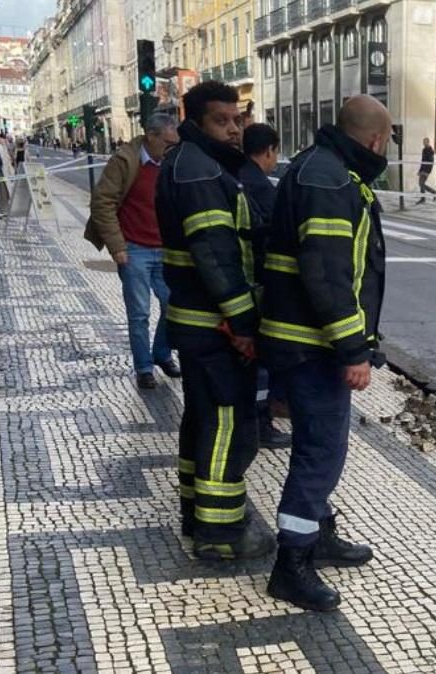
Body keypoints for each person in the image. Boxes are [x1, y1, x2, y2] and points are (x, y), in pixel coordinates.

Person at [258, 95, 389, 611]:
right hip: (314, 346)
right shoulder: (331, 181)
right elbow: (329, 275)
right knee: (320, 454)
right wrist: (353, 349)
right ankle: (292, 564)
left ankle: (321, 532)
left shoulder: (317, 168)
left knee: (319, 449)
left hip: (298, 340)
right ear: (376, 140)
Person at [155, 81, 272, 561]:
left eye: (237, 119)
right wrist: (244, 325)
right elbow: (219, 257)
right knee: (229, 422)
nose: (233, 129)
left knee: (201, 418)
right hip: (214, 325)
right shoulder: (201, 173)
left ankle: (195, 509)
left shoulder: (189, 164)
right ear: (197, 120)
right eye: (222, 121)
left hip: (197, 321)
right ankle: (221, 532)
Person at [87, 113, 181, 389]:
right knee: (139, 312)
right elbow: (102, 202)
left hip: (165, 249)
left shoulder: (170, 164)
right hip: (134, 248)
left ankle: (162, 353)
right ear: (151, 136)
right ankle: (144, 367)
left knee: (173, 305)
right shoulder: (125, 161)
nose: (171, 148)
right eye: (167, 143)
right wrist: (117, 247)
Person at [239, 122, 291, 450]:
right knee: (260, 362)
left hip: (240, 283)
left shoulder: (234, 175)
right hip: (256, 284)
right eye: (276, 152)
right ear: (269, 151)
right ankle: (260, 422)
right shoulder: (259, 186)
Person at [416, 137, 436, 204]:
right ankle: (431, 193)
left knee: (421, 183)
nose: (424, 143)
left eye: (425, 142)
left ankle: (424, 197)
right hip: (423, 169)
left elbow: (431, 162)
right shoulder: (424, 150)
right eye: (423, 142)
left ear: (428, 142)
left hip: (427, 170)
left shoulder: (430, 150)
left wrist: (428, 172)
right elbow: (422, 161)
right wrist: (420, 170)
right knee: (421, 184)